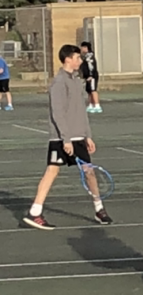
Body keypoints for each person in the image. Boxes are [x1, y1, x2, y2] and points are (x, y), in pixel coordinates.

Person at [23, 44, 113, 230]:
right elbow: (58, 113)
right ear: (68, 59)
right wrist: (65, 139)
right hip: (61, 139)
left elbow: (81, 111)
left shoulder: (76, 81)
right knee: (52, 171)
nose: (80, 61)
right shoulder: (58, 83)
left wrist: (88, 135)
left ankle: (99, 209)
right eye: (77, 58)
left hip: (79, 137)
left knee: (89, 172)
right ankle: (35, 212)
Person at [80, 42, 102, 113]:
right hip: (88, 76)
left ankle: (97, 105)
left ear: (86, 48)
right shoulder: (86, 56)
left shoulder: (89, 56)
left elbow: (92, 66)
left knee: (93, 90)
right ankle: (91, 104)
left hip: (92, 76)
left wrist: (91, 75)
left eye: (83, 47)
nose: (81, 49)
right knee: (89, 90)